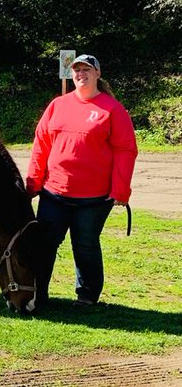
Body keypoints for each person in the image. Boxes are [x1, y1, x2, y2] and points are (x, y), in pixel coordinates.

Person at [26, 53, 137, 308]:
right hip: (54, 193)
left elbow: (125, 150)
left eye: (87, 69)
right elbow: (41, 144)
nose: (81, 74)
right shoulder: (58, 105)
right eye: (77, 70)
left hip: (94, 198)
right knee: (45, 243)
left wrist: (121, 189)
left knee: (85, 245)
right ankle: (37, 293)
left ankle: (87, 296)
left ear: (98, 73)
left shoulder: (112, 109)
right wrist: (33, 182)